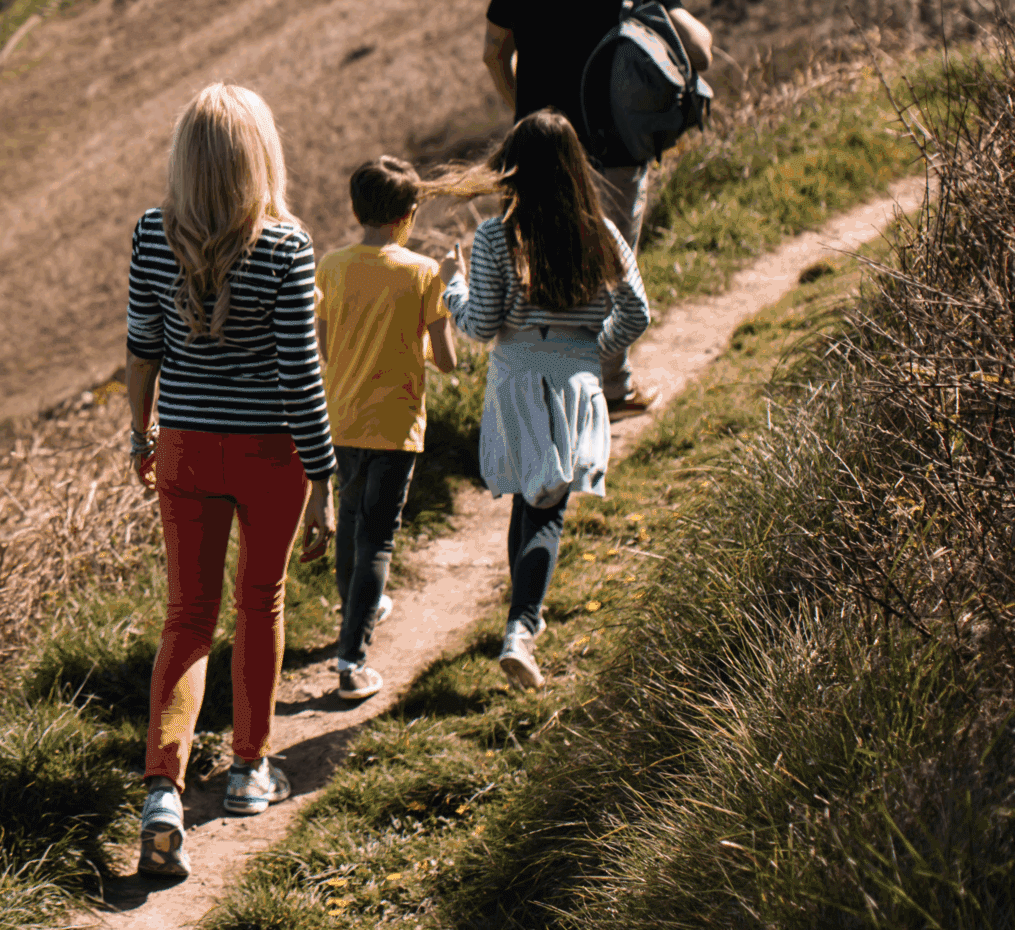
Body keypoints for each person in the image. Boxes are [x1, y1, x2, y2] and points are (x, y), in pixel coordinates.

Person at [124, 84, 337, 881]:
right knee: (260, 602)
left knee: (187, 616)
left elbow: (143, 347)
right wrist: (324, 476)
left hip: (183, 445)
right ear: (260, 156)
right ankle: (250, 770)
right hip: (269, 453)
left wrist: (141, 432)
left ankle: (162, 793)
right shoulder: (287, 245)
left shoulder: (152, 235)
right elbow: (300, 375)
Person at [482, 0, 709, 412]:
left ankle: (535, 391)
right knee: (610, 265)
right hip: (613, 153)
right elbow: (699, 51)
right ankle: (610, 387)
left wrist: (526, 112)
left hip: (535, 153)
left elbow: (494, 53)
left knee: (534, 267)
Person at [442, 110, 650, 691]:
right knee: (545, 507)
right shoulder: (599, 233)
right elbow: (637, 311)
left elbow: (481, 323)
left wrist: (452, 288)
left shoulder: (495, 236)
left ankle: (519, 620)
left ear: (514, 168)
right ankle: (522, 627)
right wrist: (592, 351)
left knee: (529, 500)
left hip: (516, 379)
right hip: (574, 380)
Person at [315, 156, 456, 702]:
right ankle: (352, 659)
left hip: (341, 417)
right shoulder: (422, 273)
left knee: (351, 527)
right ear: (410, 213)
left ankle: (352, 616)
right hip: (395, 423)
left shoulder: (330, 266)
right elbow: (444, 360)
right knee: (378, 538)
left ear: (356, 209)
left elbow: (325, 349)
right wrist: (446, 290)